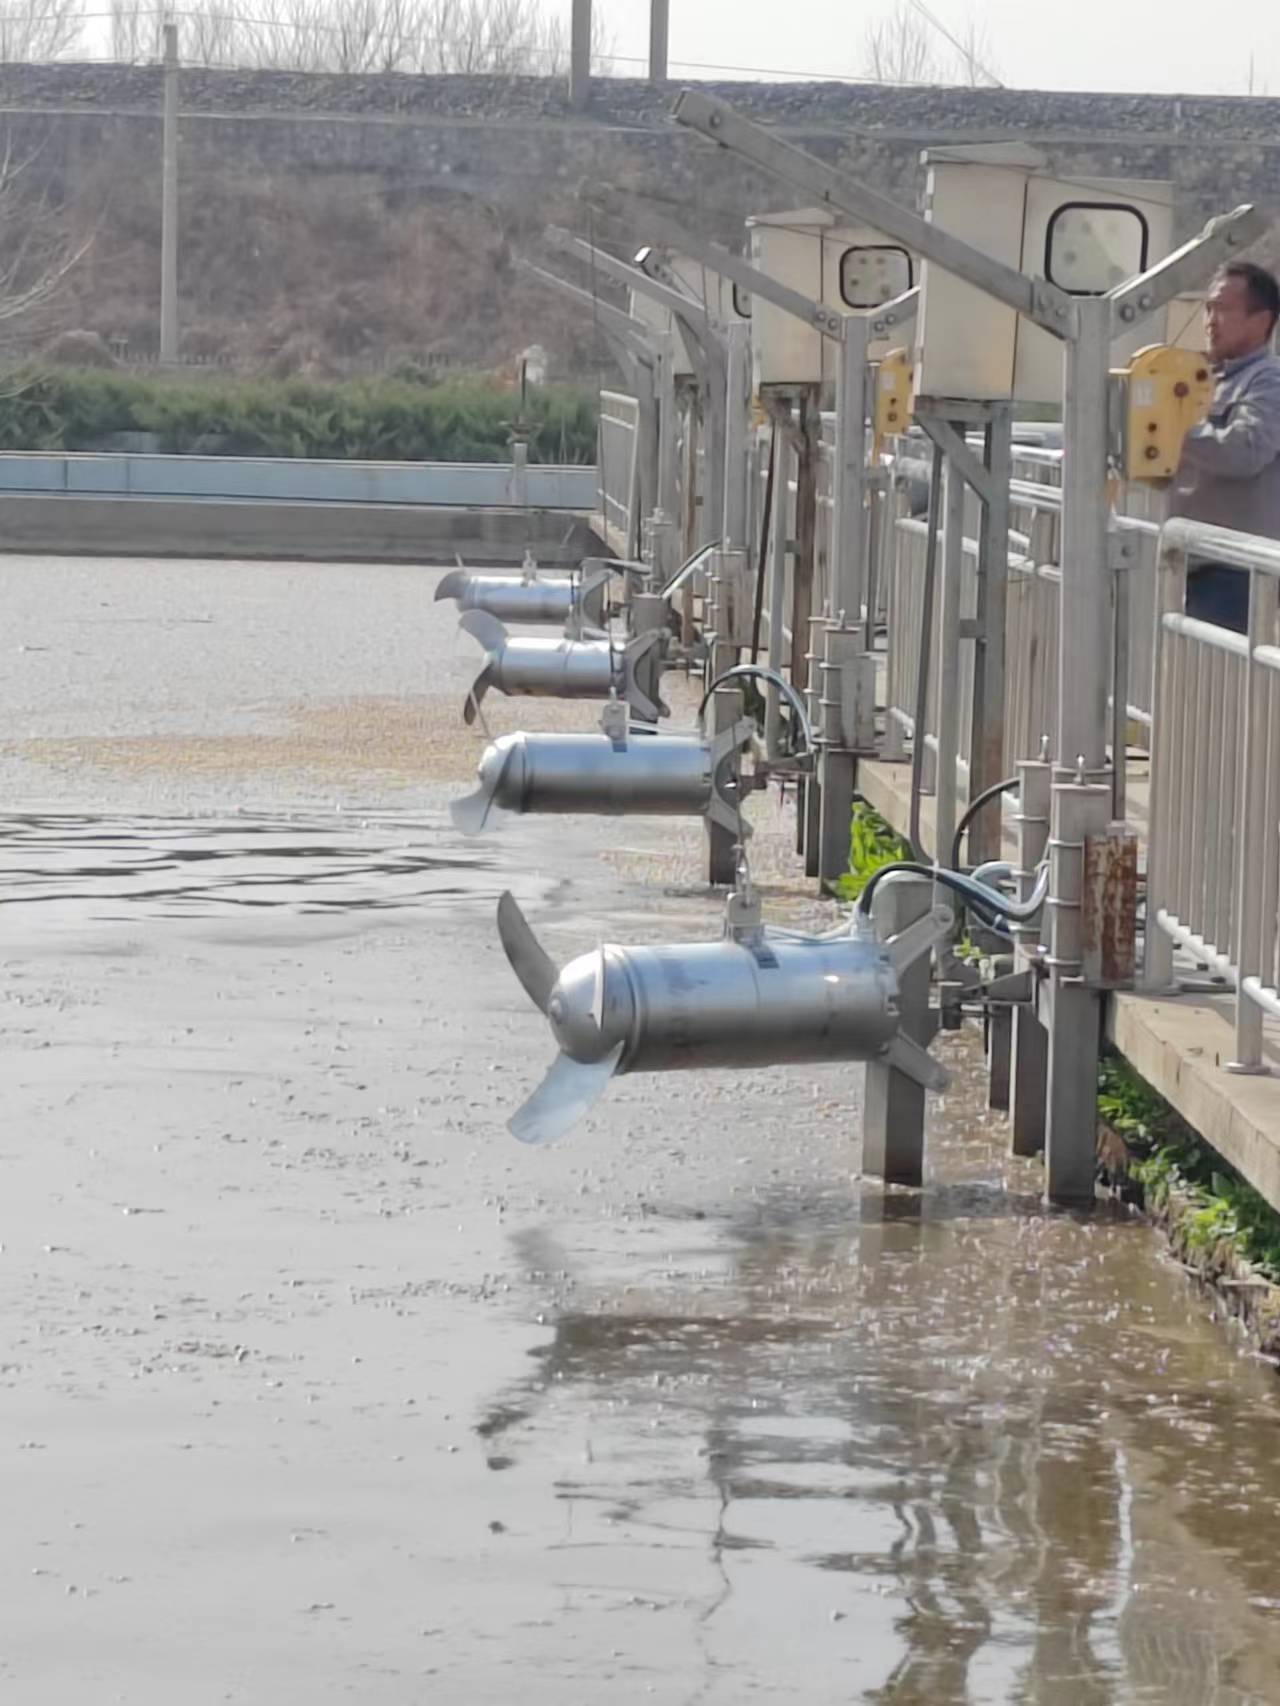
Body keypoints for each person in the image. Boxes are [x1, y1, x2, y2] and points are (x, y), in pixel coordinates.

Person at [1168, 259, 1280, 633]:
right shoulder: (1204, 379)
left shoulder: (1268, 382)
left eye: (1224, 309)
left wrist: (1170, 429)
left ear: (1261, 321)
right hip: (1187, 562)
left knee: (1217, 689)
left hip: (1234, 575)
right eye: (1209, 308)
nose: (1210, 321)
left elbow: (1246, 450)